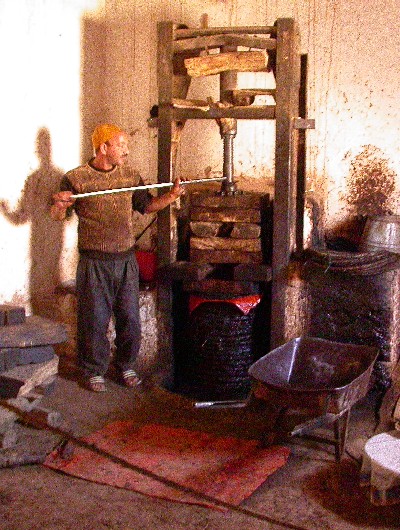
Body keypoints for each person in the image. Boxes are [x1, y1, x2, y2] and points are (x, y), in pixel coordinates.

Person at [51, 124, 185, 392]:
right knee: (94, 320)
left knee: (130, 319)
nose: (126, 150)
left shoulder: (130, 176)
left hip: (125, 260)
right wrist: (59, 204)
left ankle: (126, 366)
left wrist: (171, 196)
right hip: (93, 263)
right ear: (103, 148)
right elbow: (57, 216)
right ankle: (93, 370)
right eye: (121, 145)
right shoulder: (75, 179)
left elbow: (146, 206)